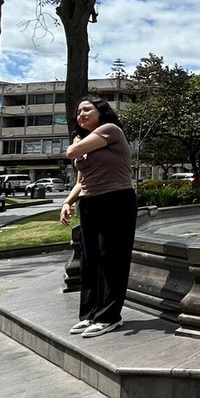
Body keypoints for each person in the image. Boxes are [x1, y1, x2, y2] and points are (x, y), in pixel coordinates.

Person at [60, 96, 137, 339]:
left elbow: (71, 151)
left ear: (100, 111)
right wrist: (67, 202)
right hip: (90, 202)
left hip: (116, 200)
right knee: (90, 260)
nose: (81, 115)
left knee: (111, 258)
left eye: (87, 110)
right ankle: (90, 314)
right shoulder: (87, 145)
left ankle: (109, 317)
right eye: (78, 112)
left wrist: (75, 143)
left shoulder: (109, 130)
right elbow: (81, 181)